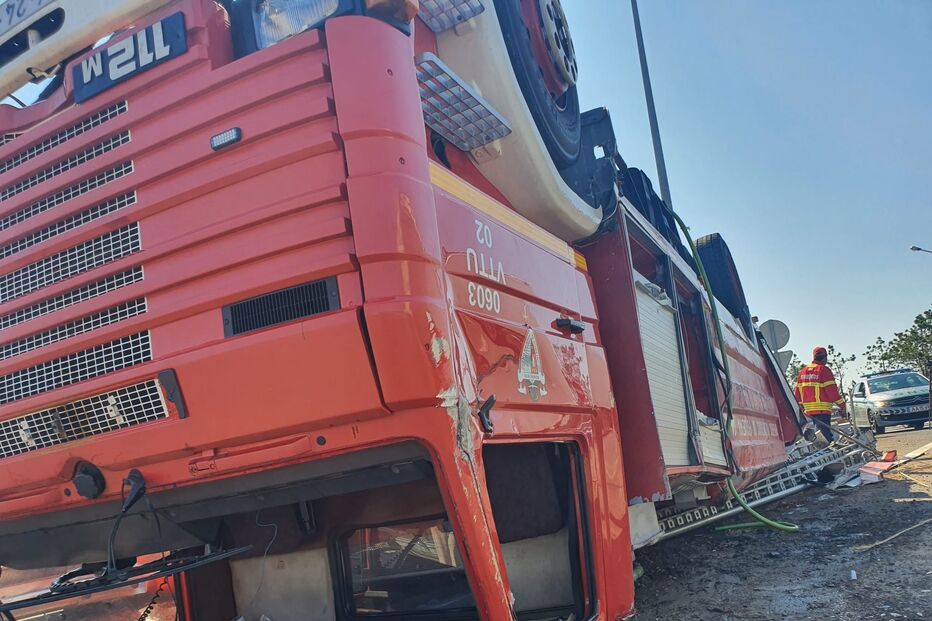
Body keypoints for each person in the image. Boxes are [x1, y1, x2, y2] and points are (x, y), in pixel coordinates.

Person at [794, 346, 847, 442]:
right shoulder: (823, 370)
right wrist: (843, 406)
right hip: (822, 410)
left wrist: (801, 408)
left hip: (808, 412)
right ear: (825, 357)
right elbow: (832, 393)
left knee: (816, 437)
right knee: (825, 438)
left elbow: (797, 393)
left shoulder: (803, 372)